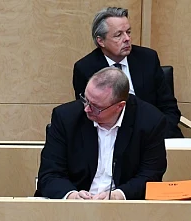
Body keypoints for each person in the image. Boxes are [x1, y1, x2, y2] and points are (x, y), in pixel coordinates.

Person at [36, 67, 167, 200]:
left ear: (119, 106)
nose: (87, 109)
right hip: (72, 205)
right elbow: (50, 174)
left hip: (123, 207)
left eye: (95, 106)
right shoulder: (65, 117)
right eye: (85, 99)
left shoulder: (150, 121)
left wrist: (117, 196)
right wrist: (72, 196)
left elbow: (151, 175)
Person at [72, 6, 182, 138]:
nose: (127, 39)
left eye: (128, 32)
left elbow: (169, 108)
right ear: (101, 41)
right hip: (112, 136)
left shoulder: (148, 59)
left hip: (155, 132)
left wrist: (156, 134)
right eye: (118, 35)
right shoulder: (85, 68)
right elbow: (89, 114)